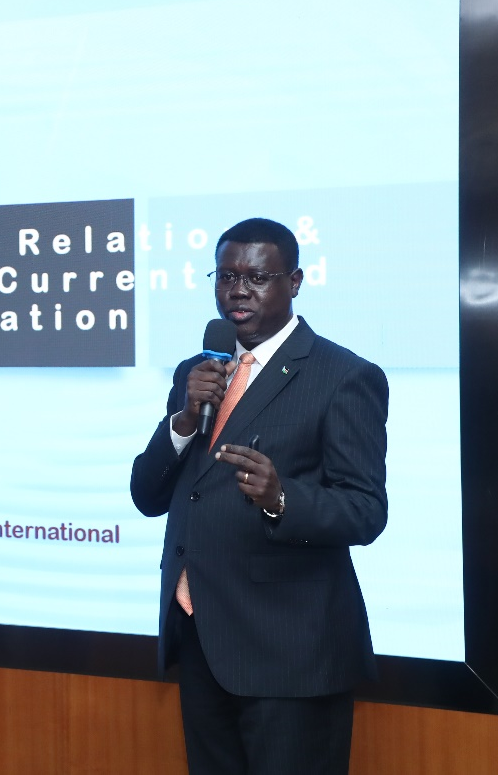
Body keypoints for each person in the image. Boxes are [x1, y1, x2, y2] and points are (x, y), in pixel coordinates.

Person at [130, 217, 387, 775]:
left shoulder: (344, 376)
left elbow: (365, 511)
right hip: (203, 637)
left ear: (294, 282)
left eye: (256, 278)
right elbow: (148, 495)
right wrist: (182, 422)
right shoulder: (197, 372)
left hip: (290, 653)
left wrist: (281, 498)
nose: (238, 291)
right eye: (226, 277)